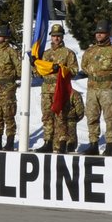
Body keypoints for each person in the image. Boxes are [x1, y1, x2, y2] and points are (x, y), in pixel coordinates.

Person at [37, 23, 79, 153]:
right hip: (46, 89)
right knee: (47, 117)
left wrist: (61, 68)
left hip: (60, 88)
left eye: (58, 36)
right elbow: (39, 72)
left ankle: (62, 142)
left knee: (61, 117)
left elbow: (74, 70)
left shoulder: (68, 53)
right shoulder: (45, 54)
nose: (56, 38)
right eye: (54, 36)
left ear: (62, 37)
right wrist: (34, 63)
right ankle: (48, 142)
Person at [81, 22, 112, 156]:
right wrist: (94, 73)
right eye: (97, 33)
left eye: (101, 33)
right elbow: (84, 66)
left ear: (107, 34)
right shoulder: (90, 51)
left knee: (110, 118)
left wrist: (106, 74)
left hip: (108, 89)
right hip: (92, 89)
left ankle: (110, 145)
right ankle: (93, 144)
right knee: (91, 117)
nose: (98, 35)